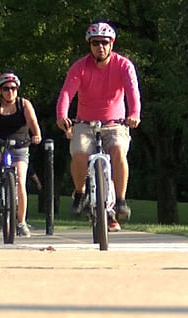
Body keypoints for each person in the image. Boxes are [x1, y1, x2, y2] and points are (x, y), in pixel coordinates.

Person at [55, 19, 141, 232]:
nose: (100, 47)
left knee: (118, 152)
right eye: (95, 43)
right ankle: (80, 192)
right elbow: (67, 93)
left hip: (115, 123)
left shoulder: (123, 65)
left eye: (104, 42)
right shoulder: (80, 67)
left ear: (111, 43)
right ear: (90, 45)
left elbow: (133, 92)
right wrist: (61, 115)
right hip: (85, 123)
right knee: (80, 153)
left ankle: (120, 201)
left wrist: (134, 114)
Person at [0, 71, 42, 237]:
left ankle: (21, 222)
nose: (10, 92)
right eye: (6, 89)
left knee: (20, 181)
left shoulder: (24, 104)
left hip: (20, 147)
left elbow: (33, 122)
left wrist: (37, 134)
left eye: (13, 88)